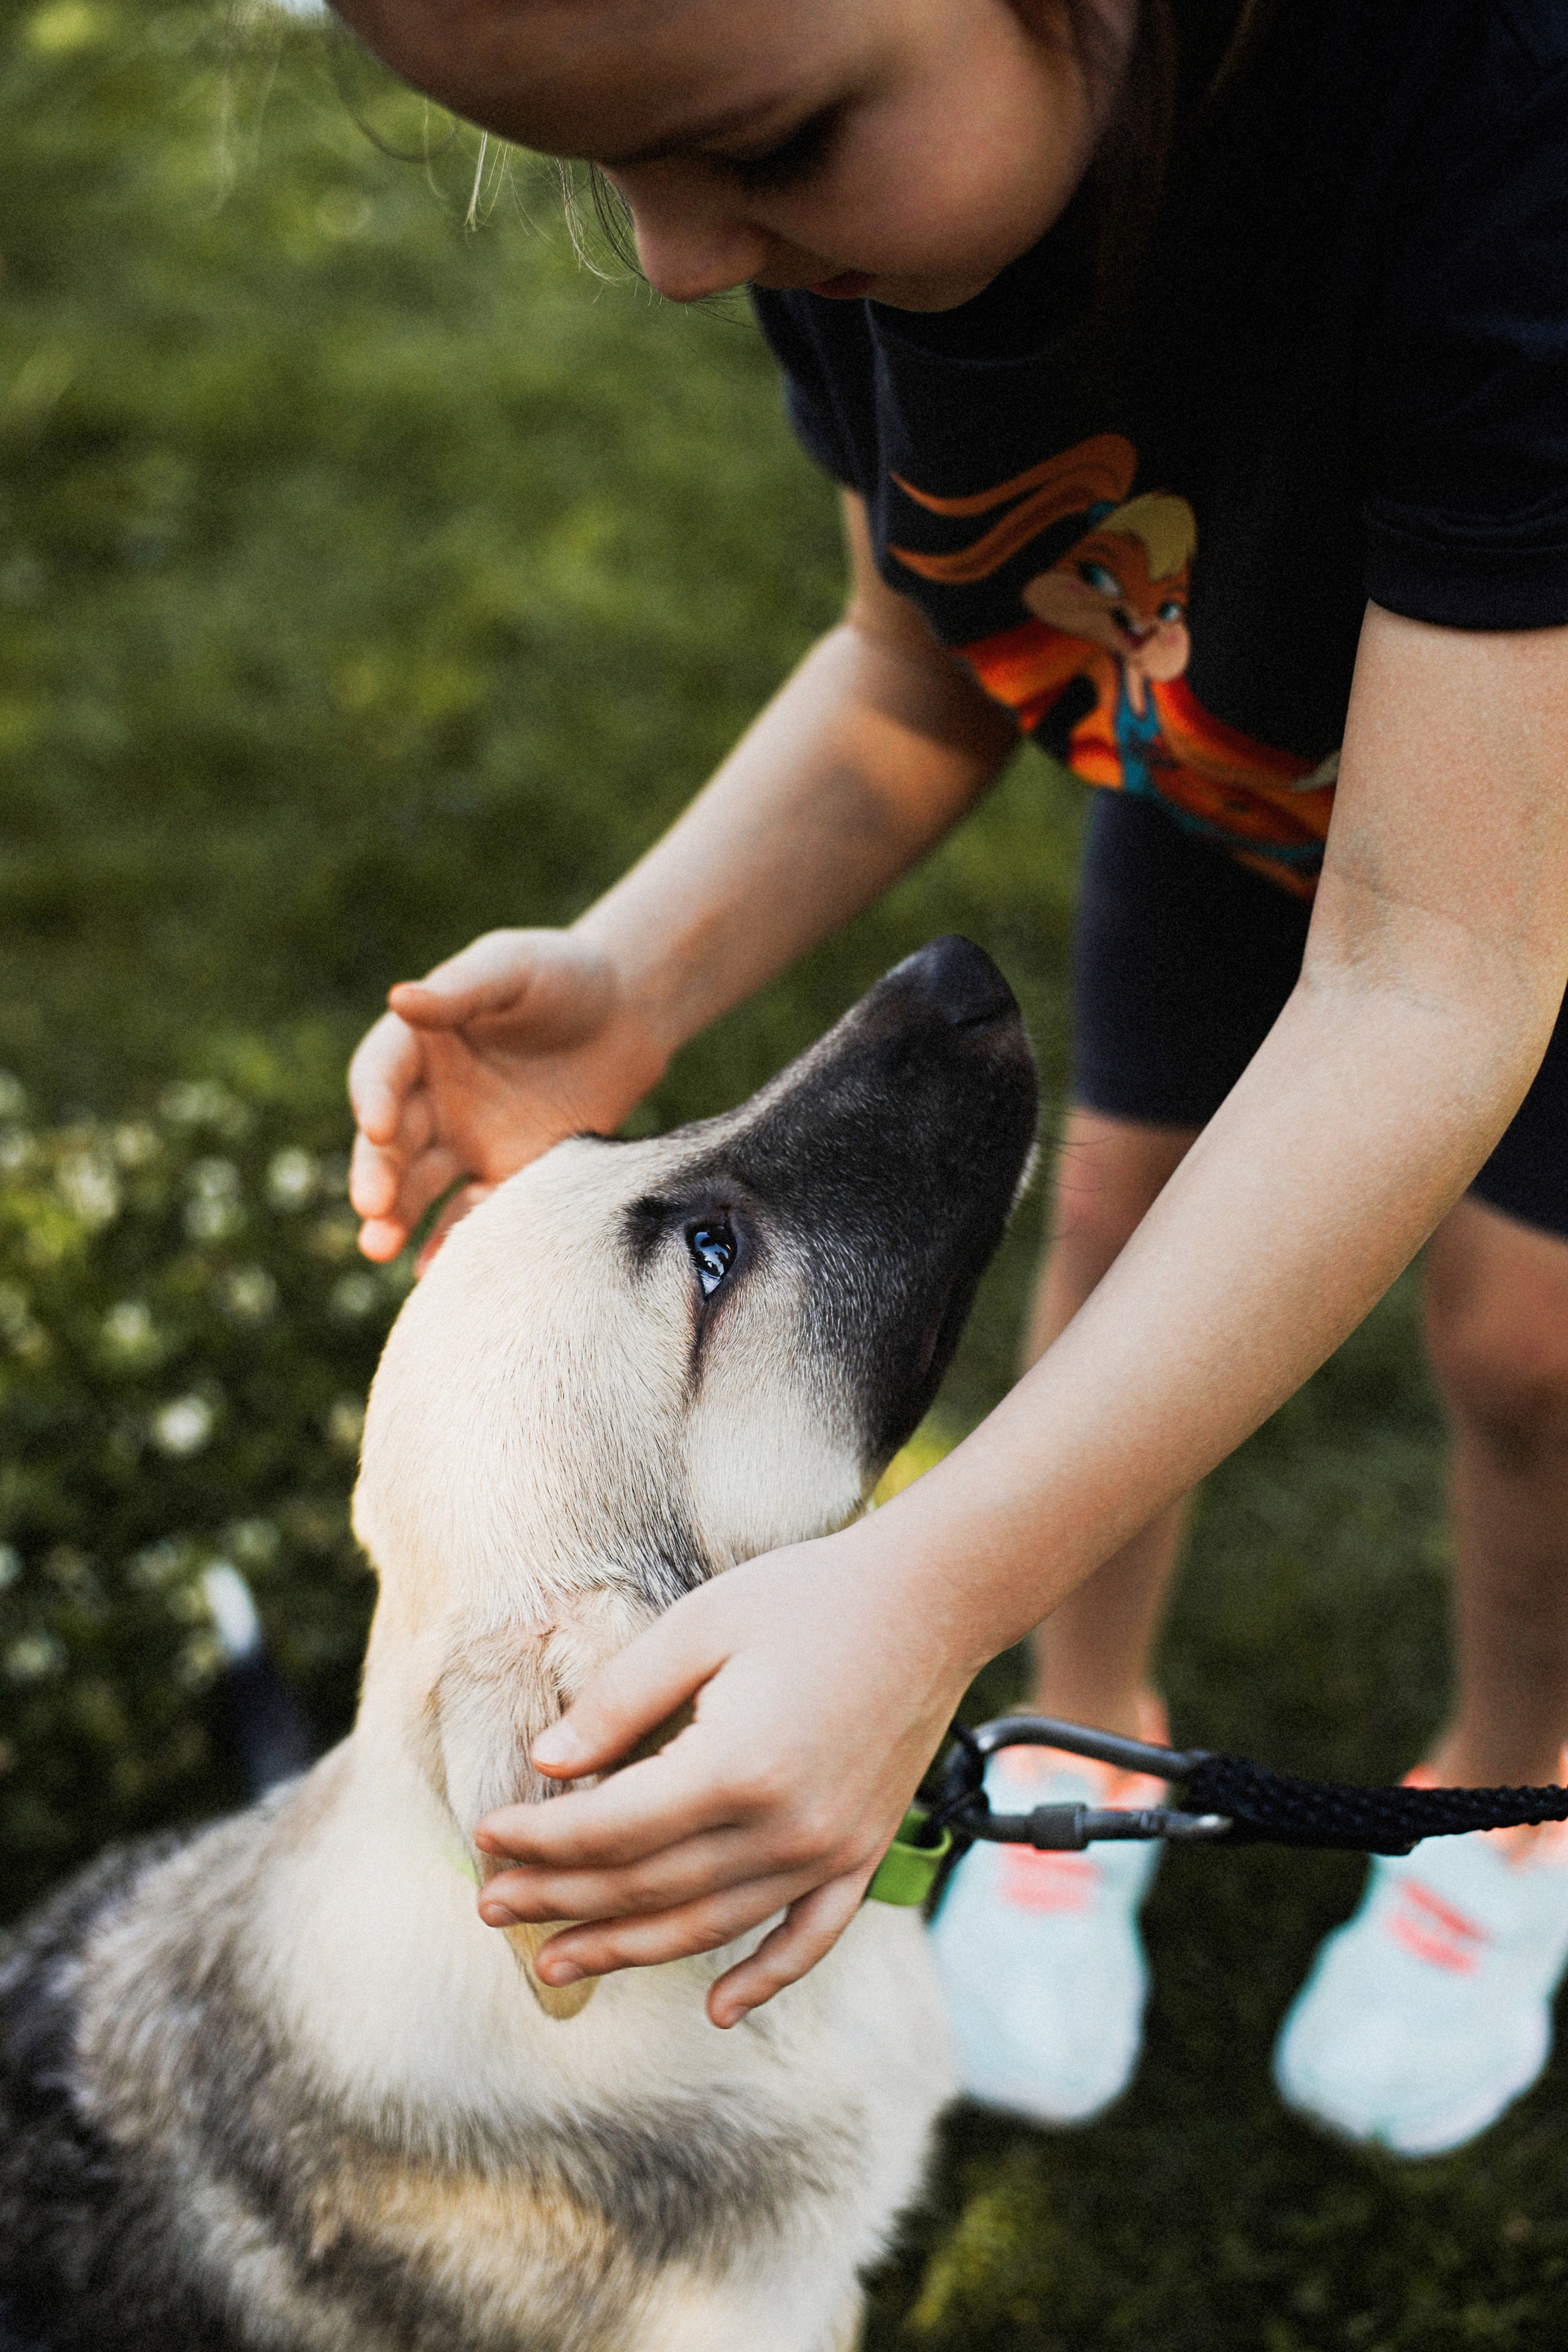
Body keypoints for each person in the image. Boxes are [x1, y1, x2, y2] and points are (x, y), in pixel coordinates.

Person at [337, 0, 1568, 2157]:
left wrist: (922, 1593)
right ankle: (1089, 1734)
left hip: (1512, 862)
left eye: (772, 149)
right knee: (1118, 1228)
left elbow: (1439, 969)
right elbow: (918, 661)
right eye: (602, 176)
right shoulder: (846, 230)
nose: (680, 266)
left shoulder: (1506, 144)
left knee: (1535, 1354)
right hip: (1244, 784)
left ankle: (1518, 1810)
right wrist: (639, 974)